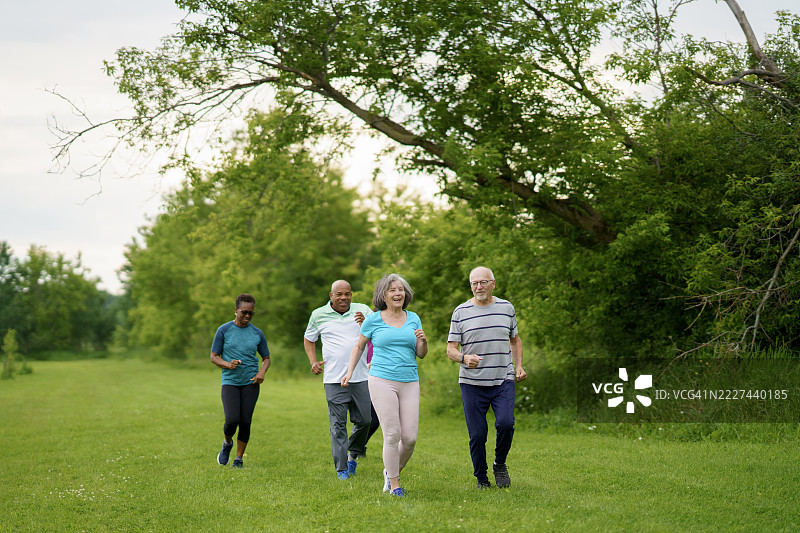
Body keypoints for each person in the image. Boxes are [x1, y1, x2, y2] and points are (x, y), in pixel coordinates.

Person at [342, 273, 427, 497]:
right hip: (381, 379)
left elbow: (421, 354)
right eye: (392, 290)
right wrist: (350, 371)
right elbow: (359, 347)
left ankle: (391, 471)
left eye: (401, 290)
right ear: (384, 295)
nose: (398, 293)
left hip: (410, 380)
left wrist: (424, 342)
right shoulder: (374, 320)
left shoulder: (414, 318)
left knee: (410, 439)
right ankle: (394, 485)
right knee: (392, 434)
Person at [447, 267, 527, 489]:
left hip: (503, 378)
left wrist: (518, 366)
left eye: (483, 282)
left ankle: (499, 464)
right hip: (472, 383)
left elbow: (515, 340)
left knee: (506, 423)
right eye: (474, 283)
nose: (478, 287)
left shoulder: (506, 308)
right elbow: (451, 349)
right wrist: (464, 358)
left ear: (494, 283)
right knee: (478, 435)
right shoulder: (460, 312)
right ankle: (481, 478)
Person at [304, 280, 373, 480]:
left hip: (361, 377)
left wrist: (364, 324)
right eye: (339, 294)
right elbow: (309, 339)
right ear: (331, 295)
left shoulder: (363, 311)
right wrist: (313, 361)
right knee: (338, 424)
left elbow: (377, 334)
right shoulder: (318, 314)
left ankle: (352, 454)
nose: (344, 298)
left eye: (348, 294)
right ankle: (342, 467)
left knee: (365, 420)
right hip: (333, 378)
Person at [210, 293, 271, 468]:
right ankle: (227, 443)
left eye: (250, 313)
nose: (247, 316)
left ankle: (238, 459)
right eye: (244, 312)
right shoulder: (224, 330)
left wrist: (262, 372)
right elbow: (214, 356)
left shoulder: (257, 333)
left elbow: (266, 358)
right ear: (236, 310)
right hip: (230, 381)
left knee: (245, 420)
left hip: (251, 382)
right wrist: (228, 365)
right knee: (231, 419)